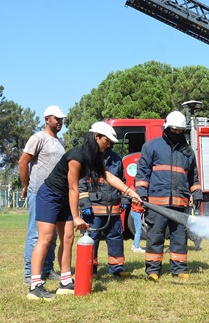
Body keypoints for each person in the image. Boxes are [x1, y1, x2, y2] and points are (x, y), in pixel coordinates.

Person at [27, 121, 140, 301]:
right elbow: (74, 188)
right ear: (96, 137)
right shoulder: (76, 156)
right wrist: (77, 216)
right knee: (46, 238)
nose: (109, 144)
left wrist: (129, 192)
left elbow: (108, 176)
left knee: (68, 238)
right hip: (50, 195)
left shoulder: (92, 157)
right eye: (107, 140)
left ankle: (65, 281)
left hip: (64, 197)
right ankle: (35, 285)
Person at [135, 111, 202, 282]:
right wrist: (142, 194)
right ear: (166, 128)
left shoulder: (187, 152)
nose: (177, 133)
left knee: (179, 237)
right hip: (157, 204)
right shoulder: (151, 147)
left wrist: (197, 193)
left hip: (180, 203)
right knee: (155, 236)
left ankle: (179, 269)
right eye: (175, 130)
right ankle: (152, 270)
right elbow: (142, 173)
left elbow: (193, 176)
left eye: (180, 130)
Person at [19, 105, 66, 285]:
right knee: (35, 234)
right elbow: (23, 162)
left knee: (52, 234)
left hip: (56, 194)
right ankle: (30, 273)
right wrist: (27, 185)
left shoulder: (60, 142)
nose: (60, 122)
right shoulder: (38, 138)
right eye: (57, 118)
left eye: (61, 119)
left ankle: (47, 269)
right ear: (47, 119)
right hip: (39, 193)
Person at [78, 129, 129, 278]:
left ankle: (117, 268)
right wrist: (85, 204)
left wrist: (125, 199)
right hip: (93, 210)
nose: (108, 145)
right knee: (91, 238)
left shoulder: (116, 159)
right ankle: (90, 269)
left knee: (115, 238)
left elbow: (122, 182)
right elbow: (81, 184)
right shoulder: (87, 159)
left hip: (113, 209)